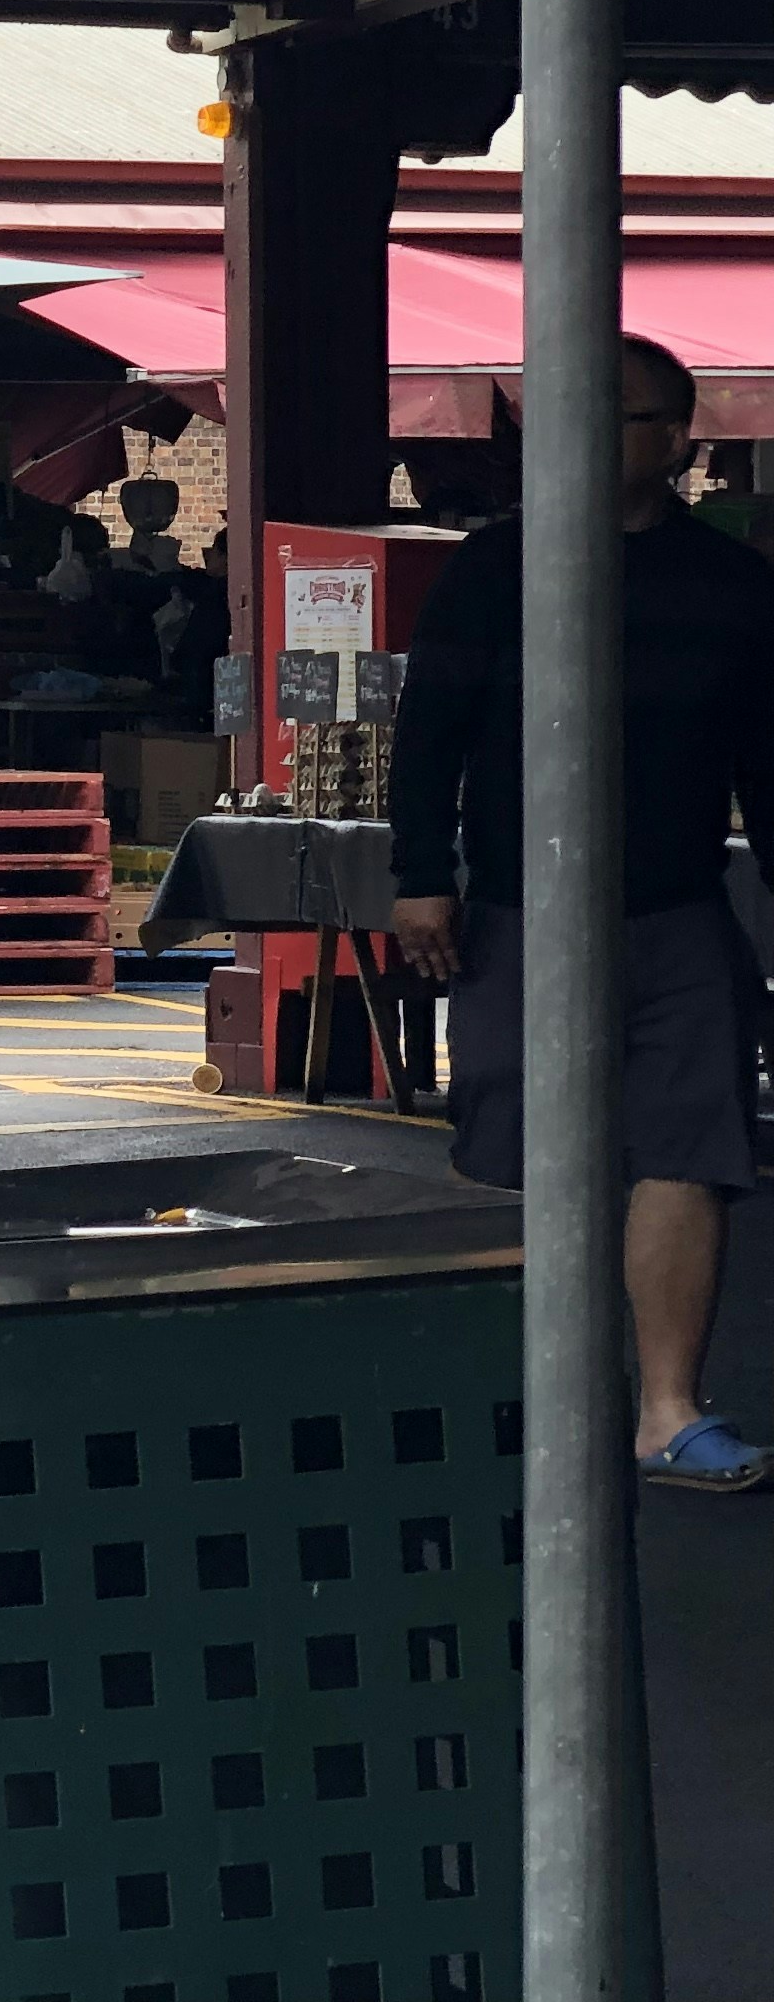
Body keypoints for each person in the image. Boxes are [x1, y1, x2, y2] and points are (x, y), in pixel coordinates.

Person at [389, 334, 774, 1492]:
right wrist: (420, 873)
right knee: (516, 1154)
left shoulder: (732, 587)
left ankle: (668, 1410)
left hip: (676, 904)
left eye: (624, 415)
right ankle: (508, 1401)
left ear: (676, 438)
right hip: (518, 908)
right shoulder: (495, 569)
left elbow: (769, 759)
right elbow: (431, 734)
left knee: (691, 1148)